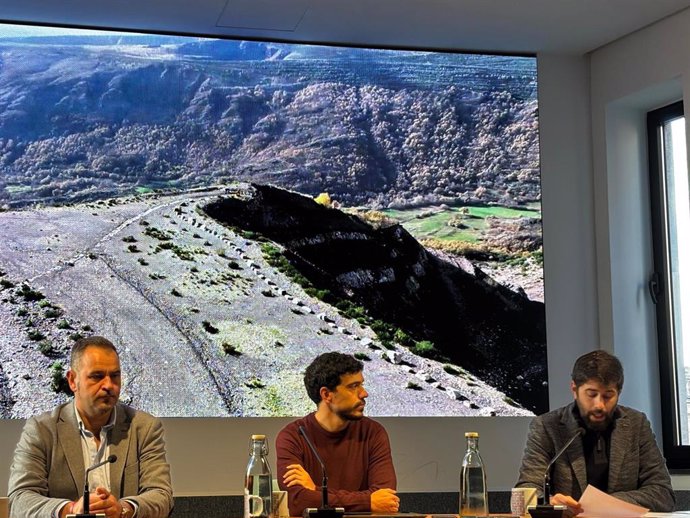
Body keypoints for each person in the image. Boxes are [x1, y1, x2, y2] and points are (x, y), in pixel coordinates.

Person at [8, 336, 173, 518]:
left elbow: (161, 495)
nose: (109, 385)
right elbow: (20, 499)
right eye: (97, 376)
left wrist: (123, 509)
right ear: (72, 381)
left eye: (115, 376)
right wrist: (70, 510)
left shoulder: (144, 427)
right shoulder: (41, 429)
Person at [516, 350, 674, 513]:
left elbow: (663, 493)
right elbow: (527, 489)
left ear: (619, 392)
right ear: (574, 390)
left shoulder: (636, 424)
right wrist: (549, 503)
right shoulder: (546, 426)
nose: (599, 405)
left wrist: (604, 503)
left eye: (608, 396)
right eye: (591, 394)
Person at [276, 352, 398, 516]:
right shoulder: (293, 437)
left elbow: (386, 499)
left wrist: (315, 490)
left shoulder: (373, 432)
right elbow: (300, 501)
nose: (364, 393)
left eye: (361, 385)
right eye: (353, 387)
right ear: (326, 395)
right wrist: (367, 502)